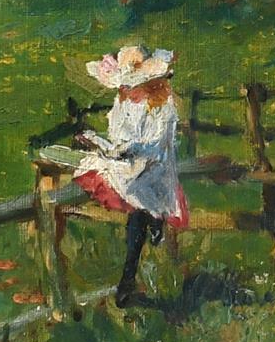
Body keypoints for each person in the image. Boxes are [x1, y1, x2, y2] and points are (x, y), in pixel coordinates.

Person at [74, 44, 189, 307]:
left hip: (154, 165)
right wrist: (106, 146)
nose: (127, 90)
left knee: (136, 185)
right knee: (104, 169)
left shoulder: (162, 107)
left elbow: (158, 142)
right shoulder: (122, 103)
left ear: (152, 84)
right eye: (124, 85)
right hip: (128, 162)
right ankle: (131, 271)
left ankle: (151, 224)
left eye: (132, 84)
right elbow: (118, 134)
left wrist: (130, 149)